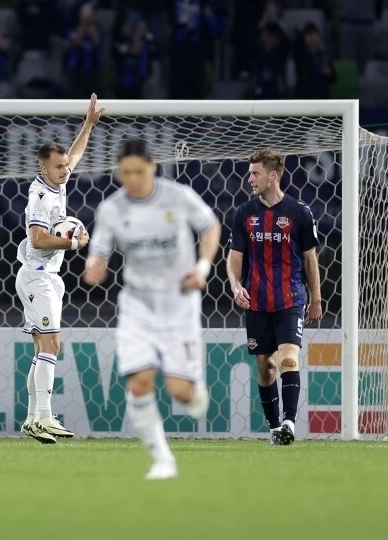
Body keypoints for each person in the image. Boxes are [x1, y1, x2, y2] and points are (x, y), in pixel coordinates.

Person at [84, 138, 220, 480]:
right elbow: (99, 251)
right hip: (137, 304)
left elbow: (210, 226)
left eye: (138, 171)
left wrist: (203, 267)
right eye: (125, 172)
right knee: (140, 382)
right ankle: (162, 459)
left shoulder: (177, 196)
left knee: (181, 393)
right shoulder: (112, 209)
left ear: (153, 167)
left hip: (178, 302)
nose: (132, 178)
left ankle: (195, 387)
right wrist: (94, 267)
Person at [17, 93, 104, 443]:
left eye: (66, 166)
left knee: (45, 347)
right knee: (51, 344)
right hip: (37, 277)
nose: (66, 170)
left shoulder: (58, 182)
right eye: (58, 166)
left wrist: (89, 124)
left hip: (47, 277)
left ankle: (32, 418)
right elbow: (38, 239)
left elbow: (75, 154)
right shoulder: (40, 196)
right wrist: (72, 243)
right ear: (43, 168)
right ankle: (43, 417)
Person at [226, 150, 323, 446]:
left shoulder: (299, 213)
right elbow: (234, 257)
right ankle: (273, 428)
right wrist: (235, 285)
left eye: (255, 173)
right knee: (265, 367)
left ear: (273, 176)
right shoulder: (244, 213)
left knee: (289, 359)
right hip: (256, 300)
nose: (250, 178)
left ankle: (289, 422)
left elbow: (310, 259)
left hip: (291, 298)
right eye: (250, 173)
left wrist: (316, 298)